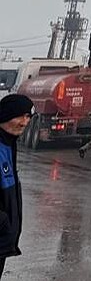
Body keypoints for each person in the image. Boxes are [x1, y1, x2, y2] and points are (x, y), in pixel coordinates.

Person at [0, 94, 34, 275]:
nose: (24, 122)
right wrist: (4, 223)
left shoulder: (8, 144)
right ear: (4, 115)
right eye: (20, 116)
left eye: (28, 116)